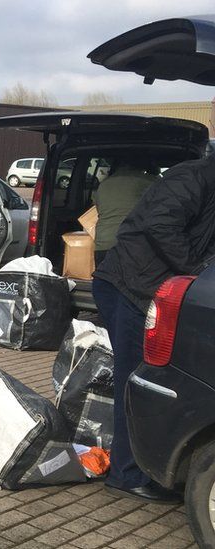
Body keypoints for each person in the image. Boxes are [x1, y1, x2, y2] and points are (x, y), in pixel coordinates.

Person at [93, 152, 215, 504]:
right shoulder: (194, 177)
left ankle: (142, 463)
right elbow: (160, 224)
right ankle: (125, 474)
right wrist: (194, 271)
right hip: (129, 286)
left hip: (149, 286)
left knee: (152, 378)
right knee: (135, 377)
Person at [92, 156, 158, 264]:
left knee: (105, 279)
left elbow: (99, 211)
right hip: (133, 244)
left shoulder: (103, 185)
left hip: (103, 243)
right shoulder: (149, 181)